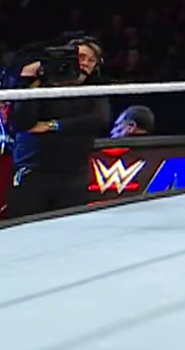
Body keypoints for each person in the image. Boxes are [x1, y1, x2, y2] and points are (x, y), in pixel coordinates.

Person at [4, 38, 111, 218]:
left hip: (73, 173)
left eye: (91, 60)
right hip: (34, 169)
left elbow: (99, 119)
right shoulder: (42, 84)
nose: (85, 63)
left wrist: (52, 125)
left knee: (68, 227)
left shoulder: (94, 89)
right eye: (81, 57)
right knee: (25, 226)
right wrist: (31, 81)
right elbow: (22, 123)